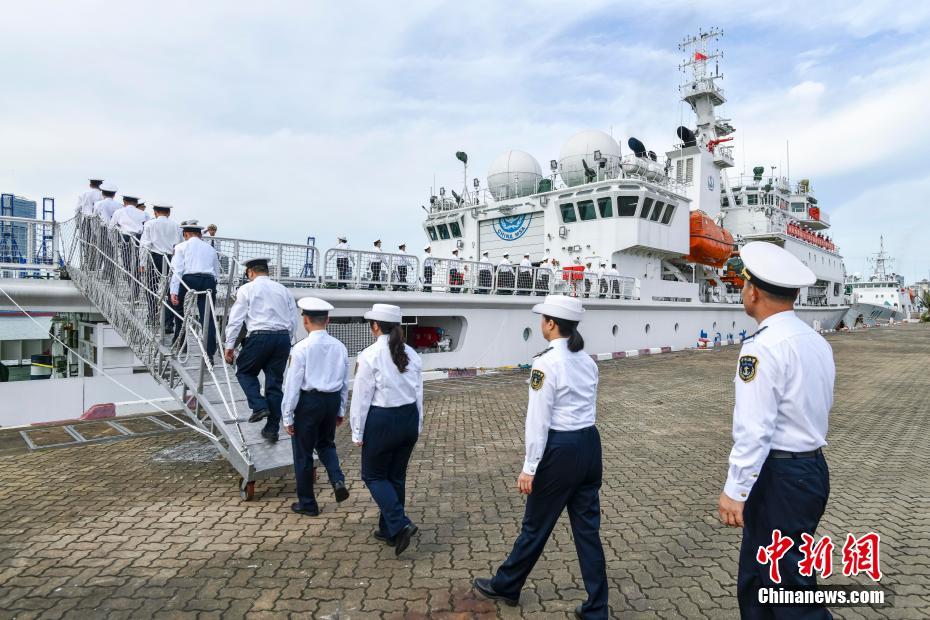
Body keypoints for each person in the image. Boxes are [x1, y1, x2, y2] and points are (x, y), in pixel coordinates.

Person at [717, 241, 834, 619]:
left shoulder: (762, 347)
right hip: (810, 470)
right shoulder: (815, 341)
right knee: (760, 581)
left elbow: (755, 428)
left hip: (779, 477)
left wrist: (735, 489)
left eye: (743, 284)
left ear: (752, 291)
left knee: (787, 591)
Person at [474, 295, 608, 618]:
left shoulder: (545, 363)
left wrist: (529, 467)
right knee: (588, 532)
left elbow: (538, 420)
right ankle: (597, 607)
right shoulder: (587, 362)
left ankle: (506, 585)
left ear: (550, 324)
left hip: (560, 450)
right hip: (590, 444)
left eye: (543, 319)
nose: (541, 324)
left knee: (535, 526)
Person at [350, 303, 423, 556]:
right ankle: (389, 530)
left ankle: (400, 524)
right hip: (408, 418)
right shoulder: (412, 354)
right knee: (395, 477)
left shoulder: (369, 355)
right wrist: (418, 423)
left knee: (372, 476)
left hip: (382, 419)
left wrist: (357, 431)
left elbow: (361, 397)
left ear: (375, 326)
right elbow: (418, 394)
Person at [281, 297, 351, 515]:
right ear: (327, 320)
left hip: (308, 402)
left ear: (305, 320)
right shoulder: (340, 347)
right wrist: (341, 409)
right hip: (330, 401)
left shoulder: (300, 348)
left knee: (302, 453)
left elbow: (292, 384)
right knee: (326, 445)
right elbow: (344, 382)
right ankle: (337, 480)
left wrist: (287, 416)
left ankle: (308, 504)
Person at [223, 257, 299, 442]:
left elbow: (236, 320)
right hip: (282, 338)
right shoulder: (283, 290)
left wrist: (229, 346)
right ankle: (271, 429)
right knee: (274, 384)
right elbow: (293, 319)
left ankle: (258, 405)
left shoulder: (247, 289)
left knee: (244, 371)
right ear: (267, 271)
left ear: (250, 272)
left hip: (259, 336)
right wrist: (287, 340)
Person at [170, 222, 221, 359]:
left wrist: (174, 291)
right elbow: (216, 271)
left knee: (179, 310)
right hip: (208, 280)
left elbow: (177, 270)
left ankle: (181, 343)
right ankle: (209, 353)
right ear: (200, 235)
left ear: (185, 234)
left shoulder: (181, 246)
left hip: (189, 279)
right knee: (208, 317)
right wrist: (213, 283)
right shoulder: (210, 249)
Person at [139, 203, 182, 329]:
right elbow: (179, 245)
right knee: (172, 291)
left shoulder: (150, 224)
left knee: (151, 288)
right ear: (169, 213)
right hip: (171, 259)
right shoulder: (176, 226)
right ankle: (168, 323)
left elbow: (144, 245)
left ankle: (152, 316)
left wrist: (142, 263)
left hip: (155, 257)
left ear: (155, 212)